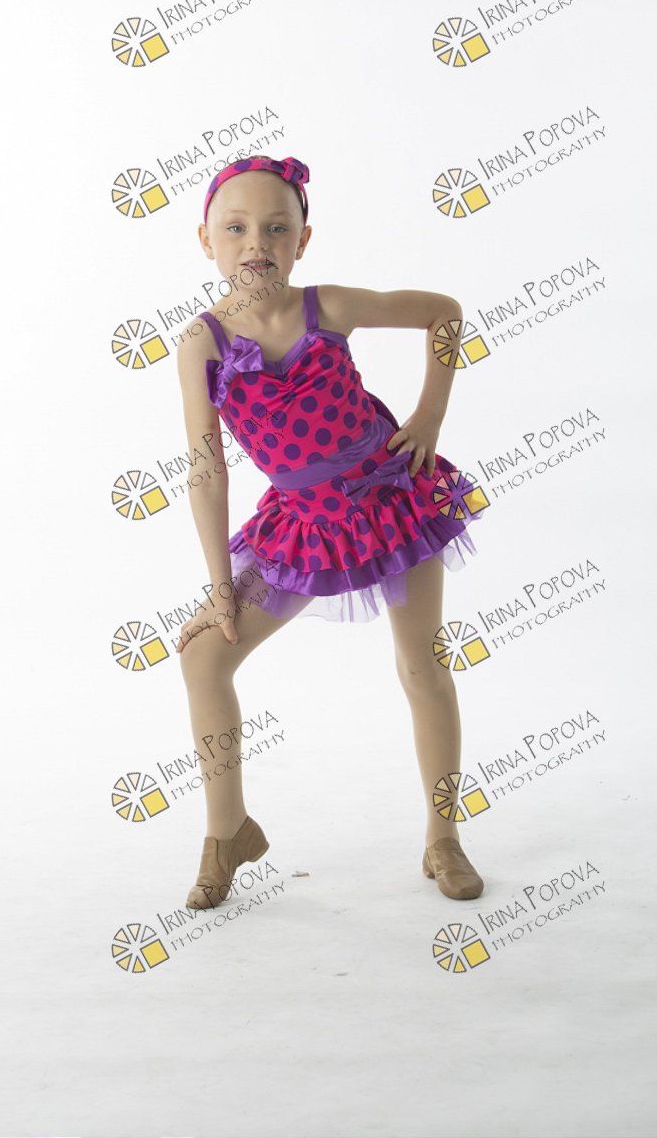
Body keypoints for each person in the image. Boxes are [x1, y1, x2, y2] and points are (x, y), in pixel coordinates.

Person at [175, 155, 485, 911]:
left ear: (302, 240)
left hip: (392, 502)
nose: (257, 243)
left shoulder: (328, 307)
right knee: (204, 656)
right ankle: (228, 831)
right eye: (236, 228)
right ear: (206, 241)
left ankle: (443, 836)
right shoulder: (202, 343)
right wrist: (220, 586)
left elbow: (444, 312)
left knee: (422, 666)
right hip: (305, 526)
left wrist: (428, 417)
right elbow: (207, 471)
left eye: (276, 228)